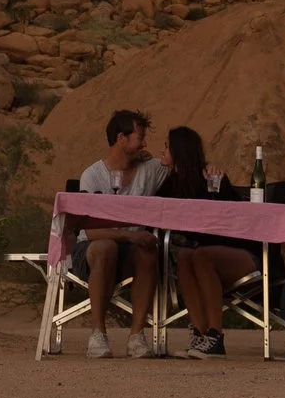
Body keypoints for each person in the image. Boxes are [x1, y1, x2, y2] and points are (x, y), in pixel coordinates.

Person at [159, 126, 257, 359]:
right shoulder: (172, 183)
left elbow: (238, 217)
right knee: (184, 257)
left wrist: (219, 182)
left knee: (200, 256)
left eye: (166, 146)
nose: (161, 150)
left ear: (179, 150)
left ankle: (215, 336)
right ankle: (200, 334)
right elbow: (154, 210)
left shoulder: (212, 177)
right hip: (202, 260)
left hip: (241, 255)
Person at [76, 109, 166, 358]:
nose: (144, 143)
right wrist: (130, 236)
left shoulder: (149, 170)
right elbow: (91, 231)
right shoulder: (92, 176)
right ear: (120, 138)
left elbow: (180, 161)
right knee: (106, 247)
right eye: (139, 137)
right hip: (92, 251)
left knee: (149, 250)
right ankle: (98, 334)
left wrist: (210, 168)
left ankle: (136, 336)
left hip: (130, 251)